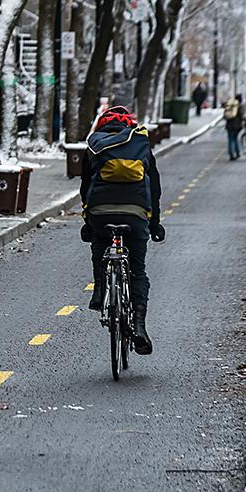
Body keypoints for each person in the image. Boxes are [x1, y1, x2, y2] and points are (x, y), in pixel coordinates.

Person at [79, 106, 163, 355]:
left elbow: (86, 187)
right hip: (136, 213)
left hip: (100, 212)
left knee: (99, 245)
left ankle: (99, 290)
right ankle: (139, 327)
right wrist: (154, 223)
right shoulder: (139, 143)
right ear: (128, 124)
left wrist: (88, 221)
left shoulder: (95, 145)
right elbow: (155, 188)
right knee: (137, 271)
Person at [223, 93, 246, 160]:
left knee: (230, 139)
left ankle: (231, 154)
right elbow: (241, 115)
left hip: (229, 125)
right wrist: (245, 120)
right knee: (235, 139)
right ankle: (237, 152)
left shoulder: (230, 105)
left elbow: (225, 116)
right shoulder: (239, 106)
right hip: (237, 126)